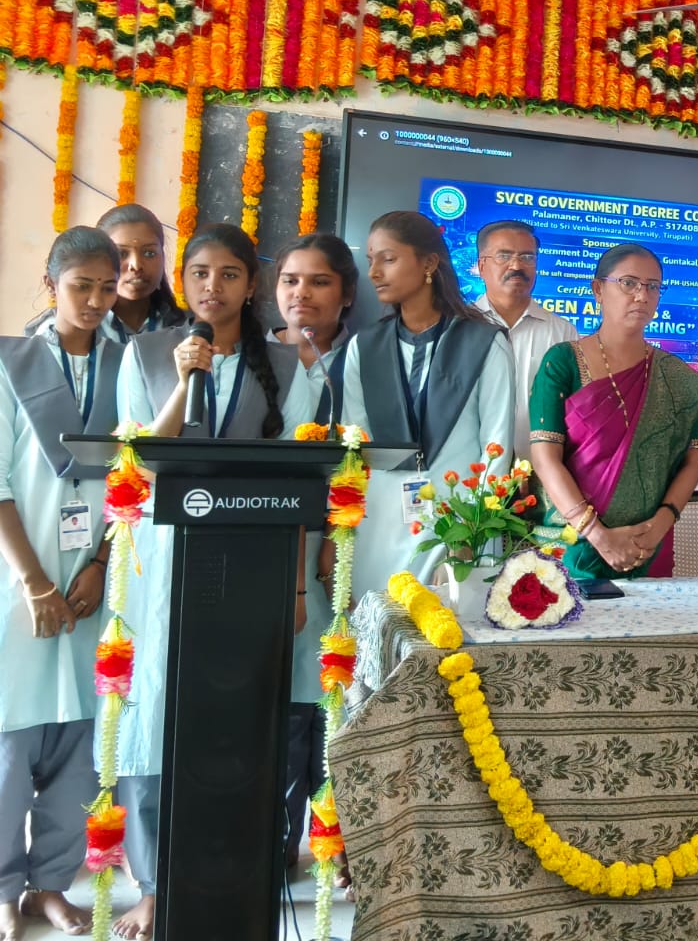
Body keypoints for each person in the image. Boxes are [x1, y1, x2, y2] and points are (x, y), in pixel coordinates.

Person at [112, 223, 314, 940]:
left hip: (251, 562)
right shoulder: (145, 352)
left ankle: (232, 866)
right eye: (199, 272)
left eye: (229, 274)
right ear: (183, 279)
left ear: (251, 285)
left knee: (234, 708)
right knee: (154, 711)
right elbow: (139, 455)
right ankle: (154, 882)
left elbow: (304, 483)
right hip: (159, 559)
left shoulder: (286, 366)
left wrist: (296, 588)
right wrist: (184, 378)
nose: (212, 287)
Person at [0, 228, 125, 940]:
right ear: (52, 285)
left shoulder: (127, 364)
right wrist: (34, 583)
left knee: (83, 742)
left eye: (107, 287)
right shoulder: (9, 361)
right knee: (9, 743)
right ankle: (2, 889)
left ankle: (51, 883)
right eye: (82, 285)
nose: (96, 300)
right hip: (18, 579)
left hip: (91, 584)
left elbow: (133, 478)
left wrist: (101, 564)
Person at [340, 211, 514, 602]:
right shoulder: (363, 347)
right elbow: (353, 449)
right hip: (378, 529)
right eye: (371, 260)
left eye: (388, 259)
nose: (374, 272)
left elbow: (497, 449)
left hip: (457, 529)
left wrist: (470, 536)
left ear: (429, 263)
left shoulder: (484, 342)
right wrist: (343, 534)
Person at [528, 244, 698, 580]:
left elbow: (692, 460)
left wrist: (659, 525)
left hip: (648, 546)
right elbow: (544, 458)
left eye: (653, 287)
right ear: (598, 289)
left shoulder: (674, 377)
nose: (642, 296)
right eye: (628, 283)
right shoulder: (563, 361)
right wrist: (597, 535)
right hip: (574, 546)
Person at [269, 234, 358, 876]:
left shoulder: (363, 359)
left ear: (346, 294)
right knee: (277, 694)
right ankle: (274, 840)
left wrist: (332, 535)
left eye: (319, 281)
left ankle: (339, 838)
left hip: (342, 548)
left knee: (334, 689)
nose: (302, 293)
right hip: (267, 544)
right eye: (291, 280)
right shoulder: (256, 358)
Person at [471, 220, 577, 461]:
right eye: (504, 256)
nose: (517, 265)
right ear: (482, 266)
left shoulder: (563, 333)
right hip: (468, 472)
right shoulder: (458, 328)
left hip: (539, 473)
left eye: (528, 257)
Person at [22, 204, 184, 343]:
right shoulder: (61, 333)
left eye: (149, 253)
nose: (136, 265)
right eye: (121, 254)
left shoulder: (183, 326)